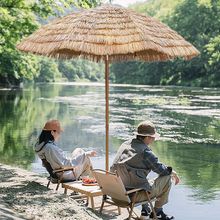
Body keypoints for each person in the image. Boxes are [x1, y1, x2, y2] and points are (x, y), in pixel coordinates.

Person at [110, 120, 180, 220]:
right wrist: (173, 172)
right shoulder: (145, 152)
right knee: (167, 177)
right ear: (147, 137)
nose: (153, 140)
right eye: (153, 137)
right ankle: (158, 212)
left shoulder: (125, 145)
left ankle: (145, 211)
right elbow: (162, 171)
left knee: (140, 177)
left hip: (116, 194)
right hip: (131, 197)